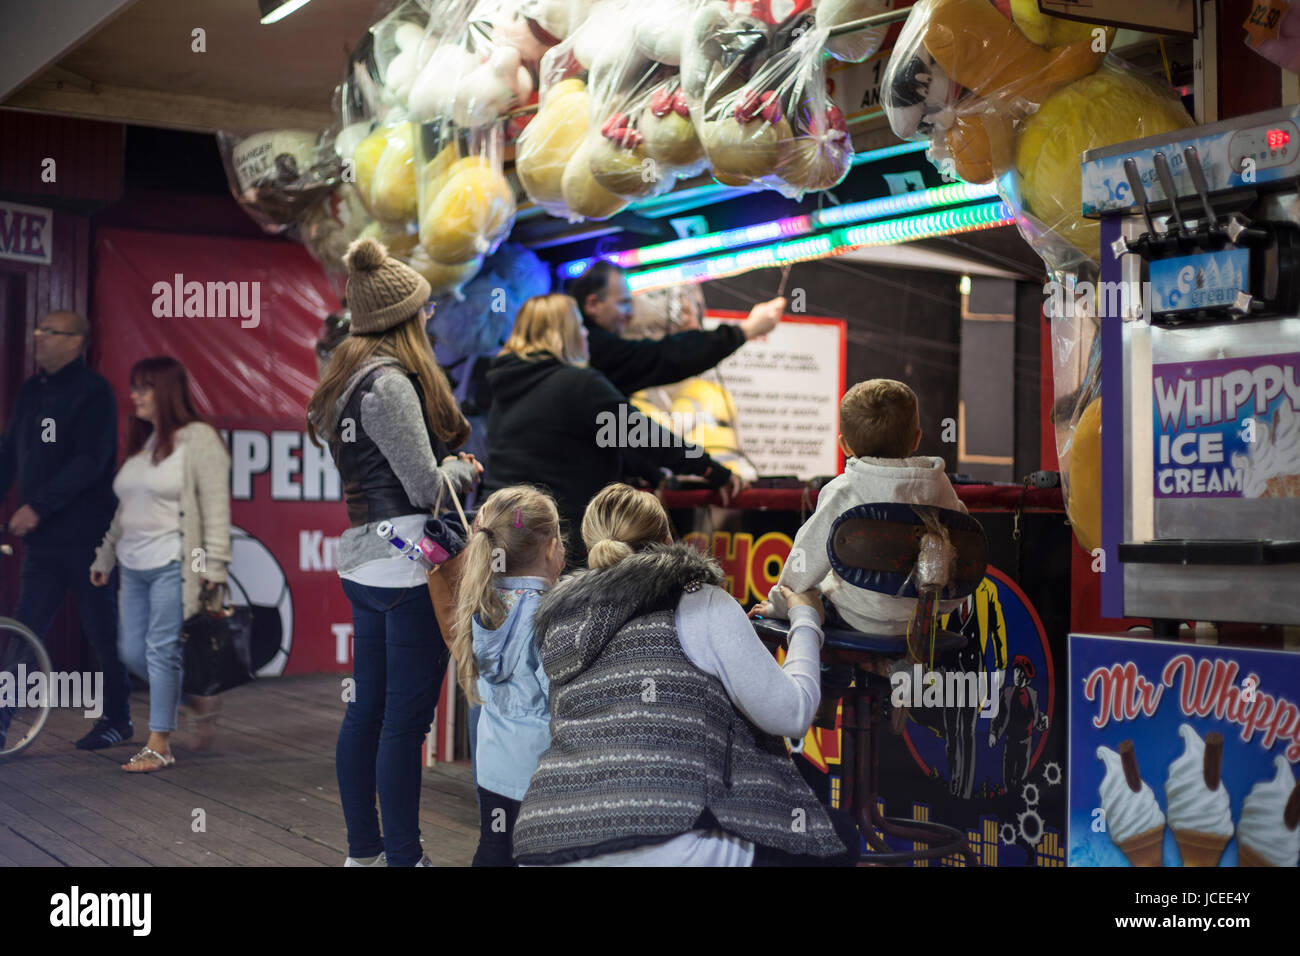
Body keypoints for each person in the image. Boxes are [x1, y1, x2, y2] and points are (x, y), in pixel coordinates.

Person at [511, 483, 860, 866]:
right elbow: (791, 714)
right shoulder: (700, 600)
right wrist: (806, 617)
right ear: (667, 539)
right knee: (839, 839)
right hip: (667, 839)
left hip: (547, 842)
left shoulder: (562, 623)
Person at [306, 237, 479, 868]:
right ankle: (405, 859)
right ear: (403, 319)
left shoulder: (344, 382)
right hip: (410, 564)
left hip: (364, 561)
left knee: (366, 713)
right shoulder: (389, 385)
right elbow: (425, 488)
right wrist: (459, 469)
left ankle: (365, 855)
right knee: (404, 724)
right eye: (425, 310)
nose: (430, 318)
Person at [482, 294, 738, 566]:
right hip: (556, 545)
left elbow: (574, 442)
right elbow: (644, 436)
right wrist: (709, 468)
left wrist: (650, 473)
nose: (586, 334)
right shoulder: (577, 384)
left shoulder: (504, 389)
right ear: (566, 333)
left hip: (500, 537)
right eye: (580, 326)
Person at [89, 357, 232, 772]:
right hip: (132, 566)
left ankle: (159, 745)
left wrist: (214, 569)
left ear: (166, 391)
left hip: (174, 562)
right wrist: (105, 555)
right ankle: (196, 699)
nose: (134, 395)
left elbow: (215, 509)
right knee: (133, 653)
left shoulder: (199, 440)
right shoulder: (147, 442)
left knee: (160, 649)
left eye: (144, 387)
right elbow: (125, 511)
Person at [0, 310, 132, 751]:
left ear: (76, 341)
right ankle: (0, 722)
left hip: (89, 540)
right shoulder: (30, 392)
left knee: (101, 630)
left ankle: (117, 719)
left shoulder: (95, 393)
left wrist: (38, 506)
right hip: (44, 546)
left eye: (50, 331)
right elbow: (8, 455)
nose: (38, 337)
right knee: (25, 630)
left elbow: (90, 462)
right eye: (37, 329)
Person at [755, 379, 967, 634]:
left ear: (844, 445)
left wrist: (780, 604)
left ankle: (829, 674)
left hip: (855, 618)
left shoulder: (843, 491)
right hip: (922, 620)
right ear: (917, 439)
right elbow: (963, 550)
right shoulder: (939, 486)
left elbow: (804, 563)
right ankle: (880, 672)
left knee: (810, 595)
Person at [450, 485, 564, 867]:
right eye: (560, 538)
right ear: (550, 548)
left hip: (494, 768)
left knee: (494, 849)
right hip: (540, 771)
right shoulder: (551, 615)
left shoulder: (485, 603)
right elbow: (561, 697)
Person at [567, 261, 785, 397]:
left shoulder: (583, 347)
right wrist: (746, 330)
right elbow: (664, 357)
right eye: (623, 303)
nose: (630, 314)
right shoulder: (591, 348)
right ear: (593, 304)